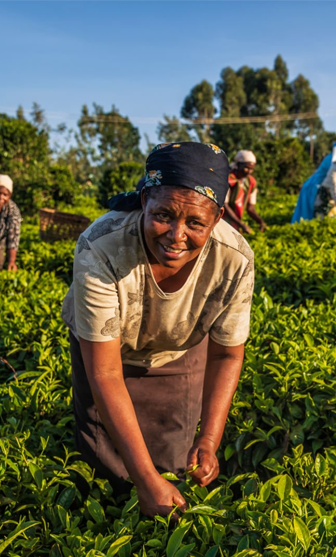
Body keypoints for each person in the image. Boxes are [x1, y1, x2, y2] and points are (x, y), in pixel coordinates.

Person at [63, 141, 255, 520]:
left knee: (174, 460)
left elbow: (228, 353)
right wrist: (145, 481)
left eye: (196, 223)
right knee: (107, 468)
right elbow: (103, 372)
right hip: (106, 353)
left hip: (180, 350)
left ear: (217, 218)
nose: (176, 235)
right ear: (146, 198)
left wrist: (209, 440)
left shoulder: (234, 260)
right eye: (163, 215)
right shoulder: (102, 246)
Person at [291, 133, 336, 223]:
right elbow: (334, 182)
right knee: (310, 216)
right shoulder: (334, 158)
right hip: (315, 187)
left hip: (320, 186)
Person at [224, 150, 267, 235]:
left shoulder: (251, 182)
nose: (249, 171)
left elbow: (250, 207)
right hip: (222, 220)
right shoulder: (228, 179)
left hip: (236, 222)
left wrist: (260, 221)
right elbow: (224, 205)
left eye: (252, 169)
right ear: (238, 165)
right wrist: (240, 224)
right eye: (246, 167)